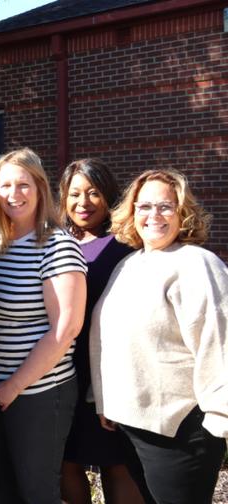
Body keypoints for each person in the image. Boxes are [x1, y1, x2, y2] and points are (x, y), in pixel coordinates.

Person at [90, 169, 227, 504]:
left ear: (183, 212)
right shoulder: (130, 264)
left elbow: (218, 342)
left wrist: (220, 421)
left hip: (180, 429)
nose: (154, 215)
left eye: (166, 207)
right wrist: (106, 400)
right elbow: (110, 339)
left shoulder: (196, 263)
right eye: (144, 206)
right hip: (131, 424)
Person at [0, 148, 87, 503]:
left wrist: (14, 385)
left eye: (23, 184)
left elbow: (66, 328)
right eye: (5, 185)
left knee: (36, 491)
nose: (14, 193)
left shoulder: (57, 246)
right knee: (3, 488)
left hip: (39, 393)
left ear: (40, 188)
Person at [57, 159, 147, 504]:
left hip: (109, 369)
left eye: (93, 192)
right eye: (75, 193)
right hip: (62, 368)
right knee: (67, 459)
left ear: (108, 195)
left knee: (117, 462)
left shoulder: (128, 245)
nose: (84, 202)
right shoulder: (56, 242)